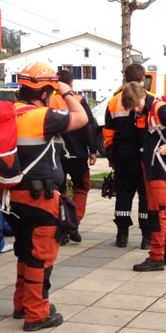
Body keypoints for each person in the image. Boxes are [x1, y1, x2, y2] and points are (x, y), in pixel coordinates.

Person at [6, 62, 88, 331]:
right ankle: (36, 313)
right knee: (41, 257)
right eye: (50, 90)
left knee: (25, 251)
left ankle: (21, 304)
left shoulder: (9, 113)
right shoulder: (43, 117)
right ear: (43, 93)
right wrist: (65, 91)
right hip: (39, 199)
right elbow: (82, 117)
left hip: (11, 198)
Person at [121, 82, 166, 271]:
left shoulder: (159, 109)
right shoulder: (140, 111)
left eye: (137, 104)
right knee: (163, 211)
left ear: (143, 96)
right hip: (150, 165)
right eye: (132, 107)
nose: (135, 109)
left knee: (156, 212)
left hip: (159, 167)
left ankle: (156, 256)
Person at [103, 64, 152, 249]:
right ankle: (147, 237)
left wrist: (110, 154)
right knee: (145, 197)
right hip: (145, 157)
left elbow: (108, 132)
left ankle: (122, 235)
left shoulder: (114, 101)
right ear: (143, 79)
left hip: (122, 155)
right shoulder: (151, 99)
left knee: (123, 196)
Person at [50, 70, 98, 246]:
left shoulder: (48, 101)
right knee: (81, 188)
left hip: (56, 156)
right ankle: (74, 222)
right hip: (78, 154)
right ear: (71, 85)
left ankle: (63, 224)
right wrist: (93, 150)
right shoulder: (78, 100)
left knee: (59, 192)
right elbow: (89, 126)